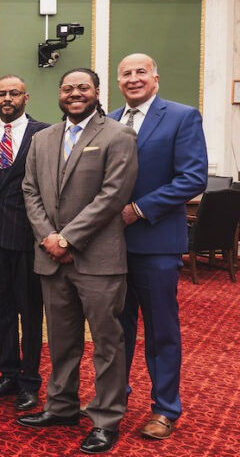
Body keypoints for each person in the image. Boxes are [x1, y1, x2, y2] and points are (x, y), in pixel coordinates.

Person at [19, 68, 138, 455]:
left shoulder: (118, 135)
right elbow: (30, 190)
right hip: (52, 259)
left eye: (82, 87)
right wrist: (48, 238)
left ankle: (105, 419)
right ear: (58, 93)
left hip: (98, 260)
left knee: (107, 342)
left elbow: (113, 194)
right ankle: (62, 406)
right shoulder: (42, 138)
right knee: (62, 340)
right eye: (67, 88)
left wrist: (69, 237)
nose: (74, 93)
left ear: (97, 92)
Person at [111, 53, 208, 440]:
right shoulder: (110, 119)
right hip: (111, 247)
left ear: (156, 77)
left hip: (155, 244)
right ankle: (114, 397)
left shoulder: (182, 117)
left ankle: (166, 408)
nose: (133, 79)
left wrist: (139, 209)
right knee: (115, 330)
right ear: (118, 82)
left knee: (160, 331)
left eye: (140, 72)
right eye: (126, 74)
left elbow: (193, 178)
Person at [0, 75, 48, 411]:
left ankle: (30, 381)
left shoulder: (44, 134)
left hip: (28, 239)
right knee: (1, 311)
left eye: (13, 93)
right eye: (1, 93)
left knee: (30, 314)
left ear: (26, 97)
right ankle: (7, 374)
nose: (7, 99)